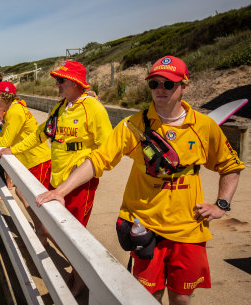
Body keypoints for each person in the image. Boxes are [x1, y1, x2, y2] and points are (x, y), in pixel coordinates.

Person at [34, 56, 245, 305]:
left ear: (184, 86)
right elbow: (98, 159)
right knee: (147, 297)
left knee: (181, 299)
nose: (160, 90)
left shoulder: (204, 127)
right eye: (154, 84)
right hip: (144, 226)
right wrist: (62, 190)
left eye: (168, 84)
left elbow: (230, 166)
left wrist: (221, 204)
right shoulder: (133, 126)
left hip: (189, 228)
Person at [0, 61, 113, 296]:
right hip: (57, 179)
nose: (56, 84)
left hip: (81, 184)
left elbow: (107, 148)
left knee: (76, 234)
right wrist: (15, 149)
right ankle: (78, 271)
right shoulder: (62, 107)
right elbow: (41, 133)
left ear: (75, 82)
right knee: (54, 228)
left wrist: (84, 166)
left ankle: (81, 278)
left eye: (60, 80)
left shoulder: (92, 108)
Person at [0, 81, 52, 247]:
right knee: (23, 194)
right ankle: (40, 230)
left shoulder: (15, 111)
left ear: (5, 96)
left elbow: (6, 138)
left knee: (39, 201)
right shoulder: (14, 109)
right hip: (29, 159)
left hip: (38, 159)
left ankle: (44, 232)